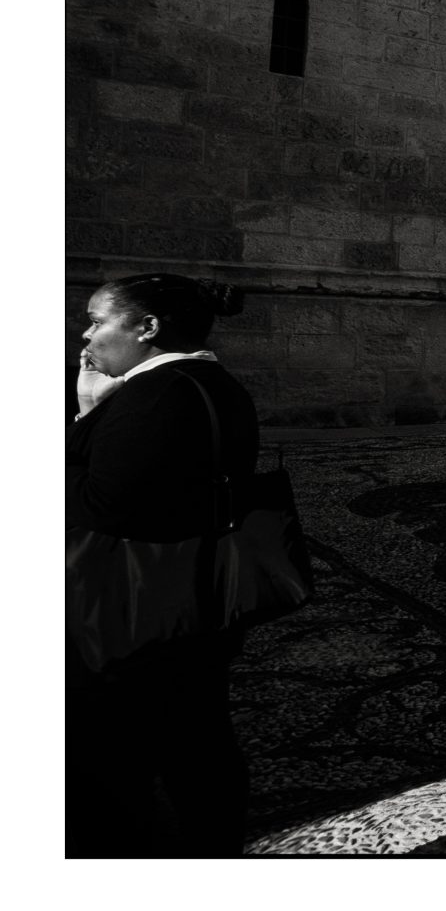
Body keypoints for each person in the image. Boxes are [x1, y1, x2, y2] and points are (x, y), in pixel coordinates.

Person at [68, 274, 262, 857]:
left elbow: (102, 504)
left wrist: (84, 419)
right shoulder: (215, 381)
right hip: (201, 592)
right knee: (198, 735)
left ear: (147, 328)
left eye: (100, 321)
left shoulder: (151, 395)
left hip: (134, 608)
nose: (87, 334)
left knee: (112, 752)